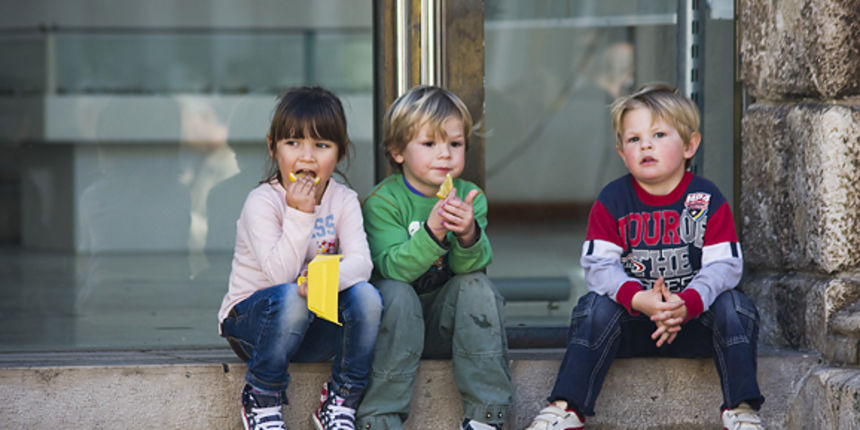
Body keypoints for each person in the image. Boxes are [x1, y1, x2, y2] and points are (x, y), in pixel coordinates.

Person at [525, 84, 765, 430]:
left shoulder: (707, 197)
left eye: (658, 134)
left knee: (737, 307)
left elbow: (724, 266)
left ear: (690, 145)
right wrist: (639, 299)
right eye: (634, 139)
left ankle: (741, 409)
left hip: (694, 322)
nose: (646, 145)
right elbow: (599, 268)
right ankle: (567, 407)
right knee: (593, 308)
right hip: (633, 323)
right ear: (622, 152)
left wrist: (686, 303)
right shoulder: (613, 199)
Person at [217, 86, 382, 430]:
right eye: (293, 143)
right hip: (252, 327)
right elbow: (280, 276)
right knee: (291, 296)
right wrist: (299, 214)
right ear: (272, 147)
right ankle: (261, 397)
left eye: (321, 146)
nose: (306, 157)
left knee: (367, 296)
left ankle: (341, 400)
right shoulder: (262, 202)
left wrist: (321, 279)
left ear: (340, 153)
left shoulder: (344, 199)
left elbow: (362, 264)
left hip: (309, 328)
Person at [356, 85, 512, 430]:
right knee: (394, 290)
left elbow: (468, 267)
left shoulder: (470, 197)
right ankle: (380, 417)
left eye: (454, 144)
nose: (445, 155)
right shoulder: (384, 202)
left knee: (476, 285)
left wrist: (467, 233)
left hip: (447, 326)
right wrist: (432, 233)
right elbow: (392, 268)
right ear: (397, 151)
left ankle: (487, 416)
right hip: (393, 330)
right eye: (430, 144)